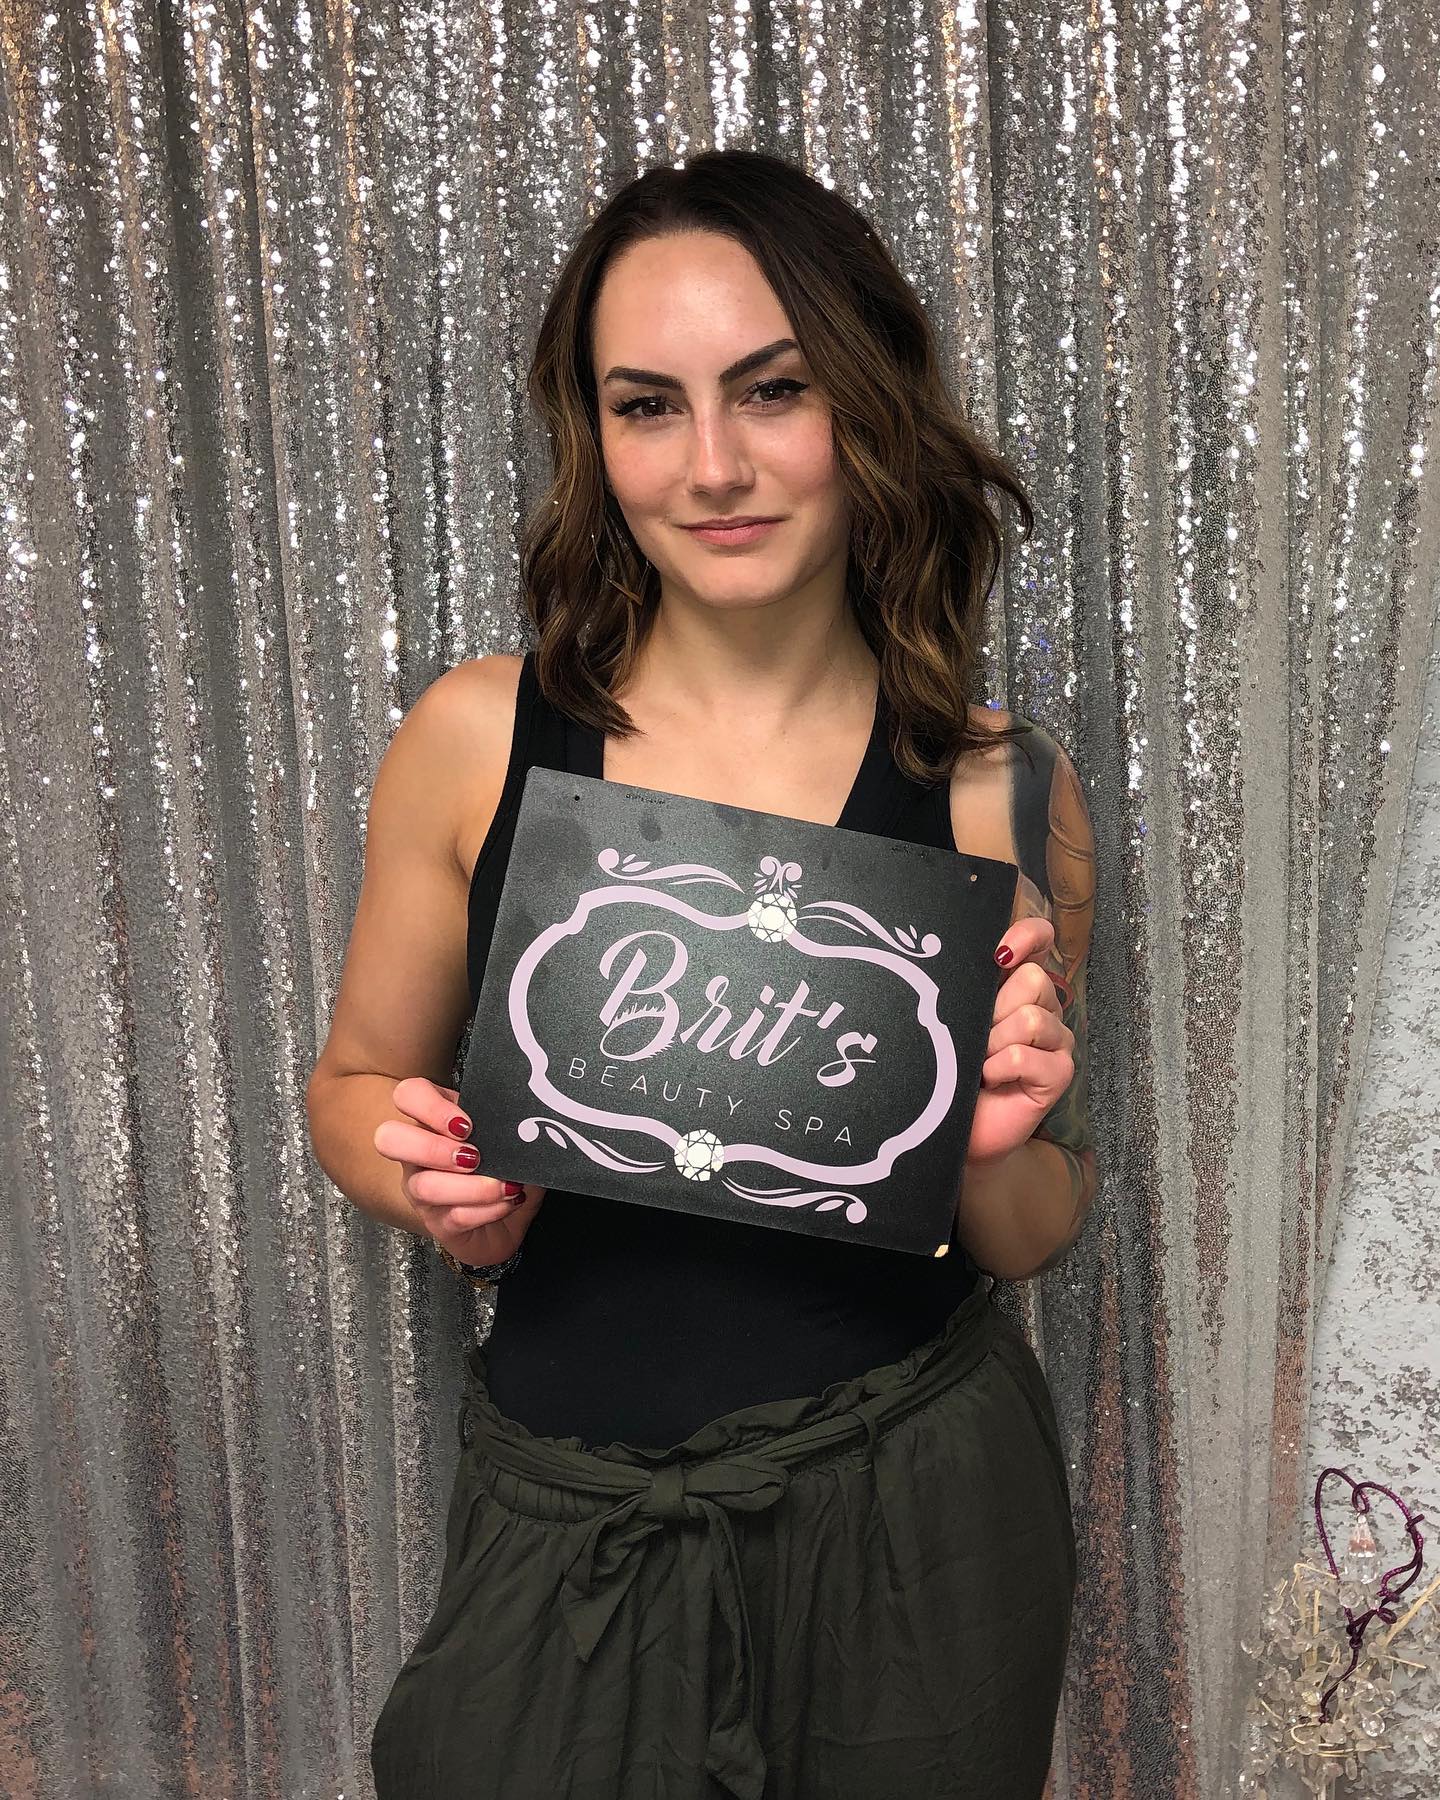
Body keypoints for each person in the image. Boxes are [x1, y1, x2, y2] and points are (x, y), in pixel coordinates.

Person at [306, 147, 1097, 1800]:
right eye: (648, 406)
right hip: (571, 1513)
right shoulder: (476, 737)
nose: (716, 465)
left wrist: (989, 1143)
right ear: (593, 439)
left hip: (919, 1515)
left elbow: (1031, 1229)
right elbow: (354, 1085)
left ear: (867, 402)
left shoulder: (997, 783)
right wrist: (431, 1180)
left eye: (774, 390)